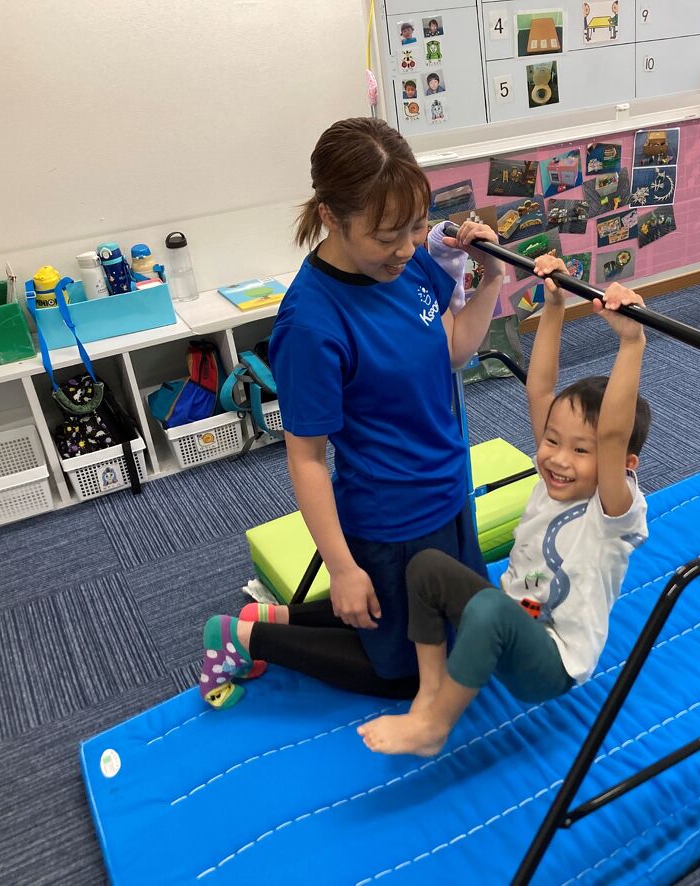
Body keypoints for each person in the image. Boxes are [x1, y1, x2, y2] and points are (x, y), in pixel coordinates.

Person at [197, 118, 507, 710]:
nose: (407, 248)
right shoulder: (311, 325)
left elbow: (452, 349)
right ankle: (241, 637)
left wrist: (491, 275)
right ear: (332, 217)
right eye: (387, 236)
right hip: (391, 517)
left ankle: (277, 615)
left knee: (453, 628)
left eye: (415, 227)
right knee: (409, 672)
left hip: (448, 488)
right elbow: (307, 459)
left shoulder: (407, 264)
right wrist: (341, 567)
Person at [357, 257, 651, 756]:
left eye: (581, 450)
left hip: (552, 659)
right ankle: (431, 690)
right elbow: (540, 388)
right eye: (552, 441)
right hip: (515, 618)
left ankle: (434, 728)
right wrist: (554, 305)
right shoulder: (556, 477)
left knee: (490, 609)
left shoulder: (611, 511)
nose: (557, 459)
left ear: (622, 465)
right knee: (426, 565)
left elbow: (613, 433)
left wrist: (631, 342)